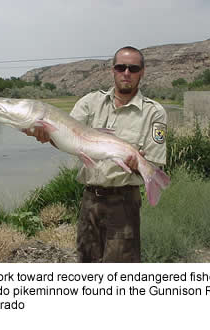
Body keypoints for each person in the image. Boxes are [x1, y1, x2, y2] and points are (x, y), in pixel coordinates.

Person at [24, 46, 167, 263]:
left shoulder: (154, 112)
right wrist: (47, 136)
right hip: (89, 200)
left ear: (142, 72)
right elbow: (67, 140)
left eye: (133, 68)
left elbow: (154, 160)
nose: (126, 73)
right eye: (121, 67)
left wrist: (138, 164)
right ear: (113, 70)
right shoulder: (90, 102)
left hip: (124, 203)